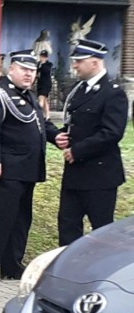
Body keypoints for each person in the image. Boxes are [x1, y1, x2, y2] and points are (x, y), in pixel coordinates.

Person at [0, 50, 46, 283]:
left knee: (21, 219)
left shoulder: (28, 96)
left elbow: (40, 124)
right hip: (4, 169)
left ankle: (12, 265)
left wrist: (61, 137)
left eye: (32, 71)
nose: (29, 75)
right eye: (24, 69)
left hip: (26, 169)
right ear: (10, 68)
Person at [46, 38, 127, 246]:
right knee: (68, 225)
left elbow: (111, 133)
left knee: (101, 230)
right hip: (75, 174)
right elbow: (77, 125)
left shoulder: (113, 93)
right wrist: (61, 136)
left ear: (95, 62)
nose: (74, 65)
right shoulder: (78, 90)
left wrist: (78, 150)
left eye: (79, 61)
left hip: (100, 175)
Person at [36, 48, 53, 119]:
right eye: (41, 56)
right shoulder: (38, 64)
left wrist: (42, 64)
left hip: (46, 84)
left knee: (41, 99)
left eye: (44, 56)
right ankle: (47, 116)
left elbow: (45, 71)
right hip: (40, 84)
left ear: (47, 57)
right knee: (45, 100)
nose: (42, 58)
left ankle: (38, 114)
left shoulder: (48, 64)